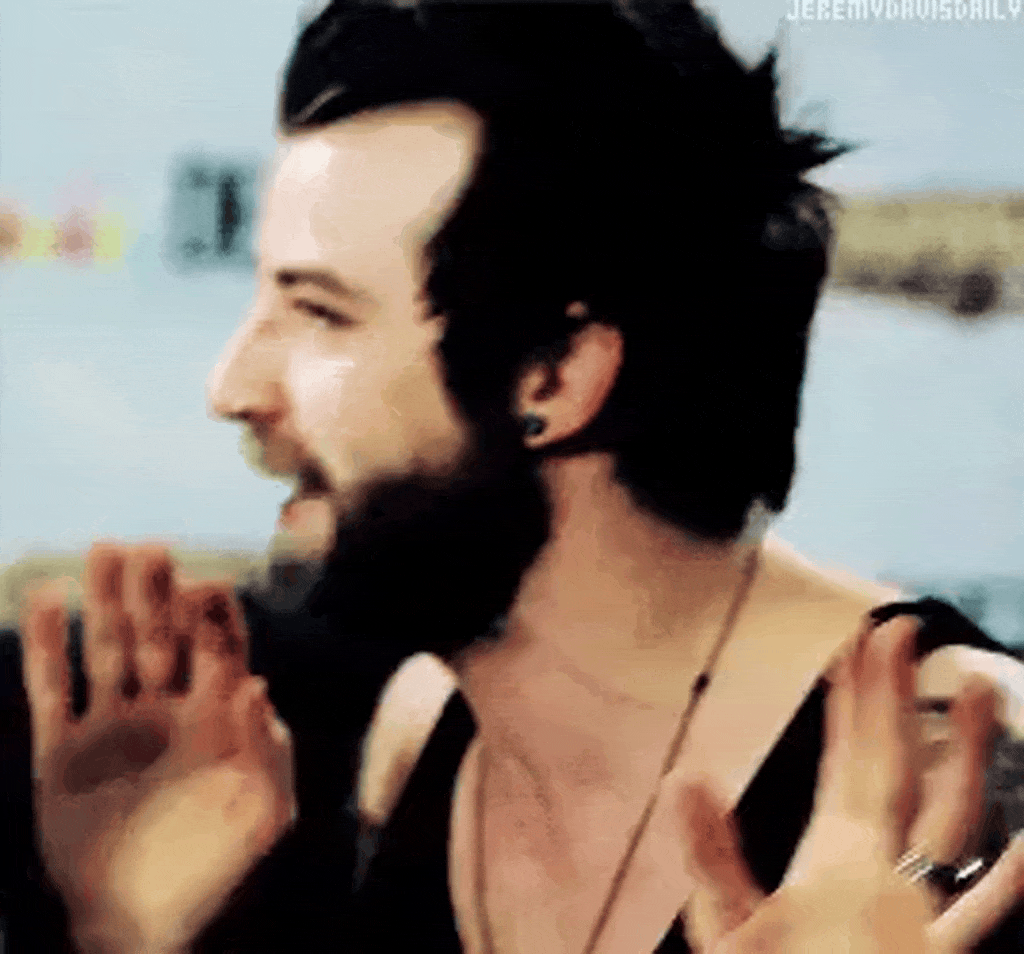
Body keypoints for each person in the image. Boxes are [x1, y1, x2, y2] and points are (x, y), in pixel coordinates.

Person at [12, 0, 1024, 951]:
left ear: (555, 374)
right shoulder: (420, 735)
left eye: (319, 313)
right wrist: (127, 930)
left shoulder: (974, 779)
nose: (232, 386)